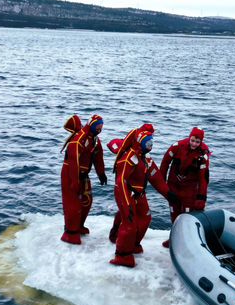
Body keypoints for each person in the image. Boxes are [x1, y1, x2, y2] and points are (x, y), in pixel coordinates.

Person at [110, 130, 177, 268]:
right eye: (148, 142)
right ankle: (122, 255)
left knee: (146, 218)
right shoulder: (129, 158)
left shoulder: (146, 159)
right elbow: (120, 182)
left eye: (152, 142)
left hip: (139, 195)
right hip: (126, 194)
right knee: (130, 225)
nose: (151, 145)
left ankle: (133, 244)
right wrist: (127, 204)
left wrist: (168, 195)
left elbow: (156, 178)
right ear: (141, 143)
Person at [159, 127, 210, 248]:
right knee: (174, 214)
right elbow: (165, 162)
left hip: (189, 189)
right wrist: (162, 185)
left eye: (197, 142)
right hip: (173, 186)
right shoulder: (177, 146)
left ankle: (187, 241)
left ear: (201, 142)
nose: (194, 144)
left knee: (187, 215)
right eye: (192, 140)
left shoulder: (203, 154)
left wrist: (201, 198)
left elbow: (204, 179)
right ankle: (174, 238)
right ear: (189, 138)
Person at [60, 114, 107, 245]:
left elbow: (98, 158)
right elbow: (74, 161)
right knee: (73, 204)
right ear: (91, 125)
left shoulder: (95, 140)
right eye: (98, 126)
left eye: (101, 126)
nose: (100, 129)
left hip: (83, 175)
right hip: (71, 174)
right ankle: (70, 232)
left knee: (87, 201)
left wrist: (101, 174)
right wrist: (75, 181)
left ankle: (78, 226)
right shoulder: (78, 139)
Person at [106, 123, 155, 243]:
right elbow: (122, 148)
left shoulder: (143, 149)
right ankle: (117, 240)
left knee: (129, 214)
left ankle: (118, 234)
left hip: (137, 189)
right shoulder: (131, 150)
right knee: (127, 215)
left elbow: (151, 171)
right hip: (127, 185)